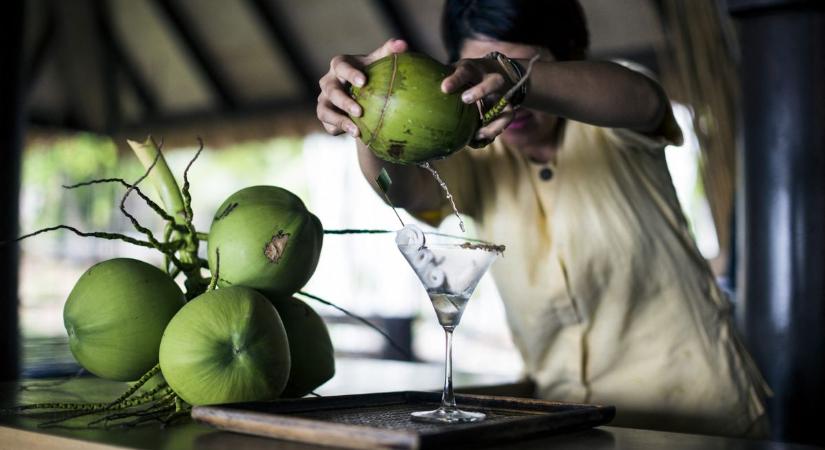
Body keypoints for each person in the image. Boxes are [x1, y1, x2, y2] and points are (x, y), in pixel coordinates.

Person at [316, 0, 769, 438]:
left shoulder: (613, 123)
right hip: (578, 427)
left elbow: (643, 99)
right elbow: (405, 189)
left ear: (565, 62)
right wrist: (363, 115)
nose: (499, 98)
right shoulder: (476, 158)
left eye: (512, 71)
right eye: (480, 74)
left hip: (705, 422)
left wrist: (513, 77)